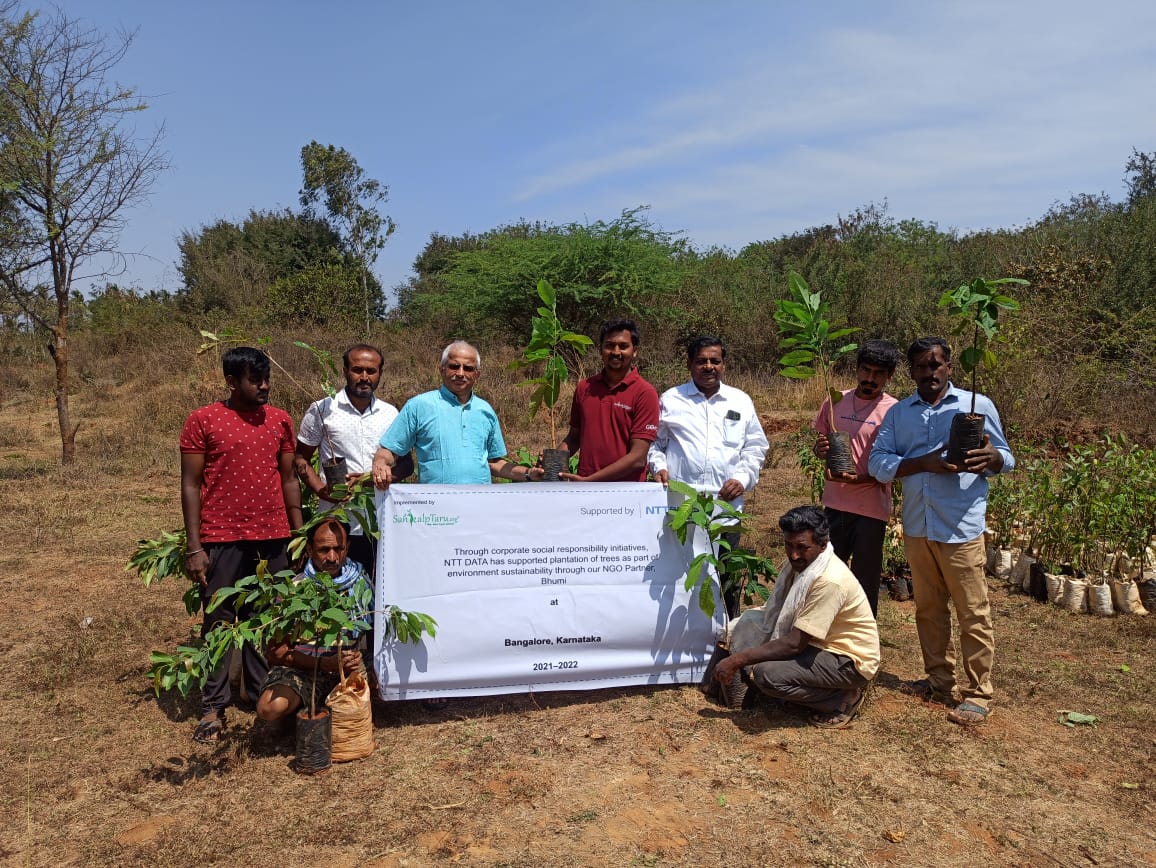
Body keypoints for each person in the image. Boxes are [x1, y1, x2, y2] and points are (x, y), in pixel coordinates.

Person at [868, 336, 1014, 726]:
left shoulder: (975, 406)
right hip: (918, 526)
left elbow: (1007, 457)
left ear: (949, 367)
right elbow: (878, 461)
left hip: (961, 526)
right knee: (928, 610)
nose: (929, 372)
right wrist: (923, 463)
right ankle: (938, 681)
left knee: (972, 611)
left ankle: (978, 693)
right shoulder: (900, 414)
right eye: (921, 366)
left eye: (935, 365)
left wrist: (994, 458)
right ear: (912, 371)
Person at [180, 346, 303, 743]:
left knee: (265, 620)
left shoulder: (281, 421)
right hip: (222, 537)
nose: (264, 386)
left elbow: (288, 480)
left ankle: (256, 693)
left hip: (273, 536)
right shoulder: (204, 421)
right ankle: (213, 706)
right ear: (231, 382)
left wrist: (298, 536)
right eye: (255, 380)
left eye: (267, 378)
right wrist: (195, 546)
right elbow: (191, 485)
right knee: (219, 623)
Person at [713, 505, 880, 728]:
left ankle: (841, 699)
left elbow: (794, 644)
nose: (793, 555)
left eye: (802, 547)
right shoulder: (806, 565)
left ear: (823, 545)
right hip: (820, 644)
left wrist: (737, 659)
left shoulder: (829, 580)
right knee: (749, 622)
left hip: (848, 659)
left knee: (768, 675)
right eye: (788, 545)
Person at [648, 335, 769, 617]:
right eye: (701, 361)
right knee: (682, 576)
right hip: (682, 508)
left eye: (715, 361)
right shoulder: (671, 399)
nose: (708, 366)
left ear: (724, 365)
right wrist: (658, 467)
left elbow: (756, 446)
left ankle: (728, 639)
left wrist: (743, 477)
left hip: (725, 509)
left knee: (726, 576)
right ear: (690, 364)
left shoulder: (740, 400)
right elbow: (655, 443)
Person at [294, 344, 413, 575]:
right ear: (345, 371)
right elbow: (301, 460)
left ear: (380, 373)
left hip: (380, 521)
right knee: (337, 593)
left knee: (379, 590)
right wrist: (321, 490)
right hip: (336, 523)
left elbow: (407, 464)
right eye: (358, 370)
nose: (365, 377)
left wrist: (383, 478)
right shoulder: (322, 409)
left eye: (372, 371)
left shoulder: (391, 414)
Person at [371, 341, 543, 487]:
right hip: (437, 510)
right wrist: (380, 463)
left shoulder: (485, 410)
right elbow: (389, 450)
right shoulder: (419, 406)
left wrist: (528, 474)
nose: (460, 373)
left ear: (477, 375)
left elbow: (494, 463)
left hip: (479, 507)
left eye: (468, 368)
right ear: (442, 369)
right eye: (454, 366)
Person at [812, 339, 900, 616]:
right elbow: (821, 443)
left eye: (878, 374)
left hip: (871, 510)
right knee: (827, 573)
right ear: (857, 369)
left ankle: (863, 641)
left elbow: (896, 463)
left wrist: (862, 479)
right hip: (835, 503)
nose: (870, 379)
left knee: (864, 580)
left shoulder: (894, 411)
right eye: (866, 370)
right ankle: (823, 632)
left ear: (889, 376)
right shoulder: (836, 400)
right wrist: (820, 451)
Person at [256, 518, 371, 726]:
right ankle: (298, 711)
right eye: (324, 550)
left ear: (348, 548)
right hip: (305, 670)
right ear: (309, 549)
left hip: (348, 670)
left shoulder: (361, 584)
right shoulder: (293, 591)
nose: (332, 557)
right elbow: (276, 653)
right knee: (270, 707)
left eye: (339, 549)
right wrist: (323, 663)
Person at [558, 318, 659, 482]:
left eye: (623, 346)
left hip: (625, 491)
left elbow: (638, 457)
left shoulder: (645, 393)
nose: (616, 352)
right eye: (610, 345)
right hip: (585, 488)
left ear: (635, 351)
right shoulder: (585, 387)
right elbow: (574, 437)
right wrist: (552, 464)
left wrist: (591, 480)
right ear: (601, 349)